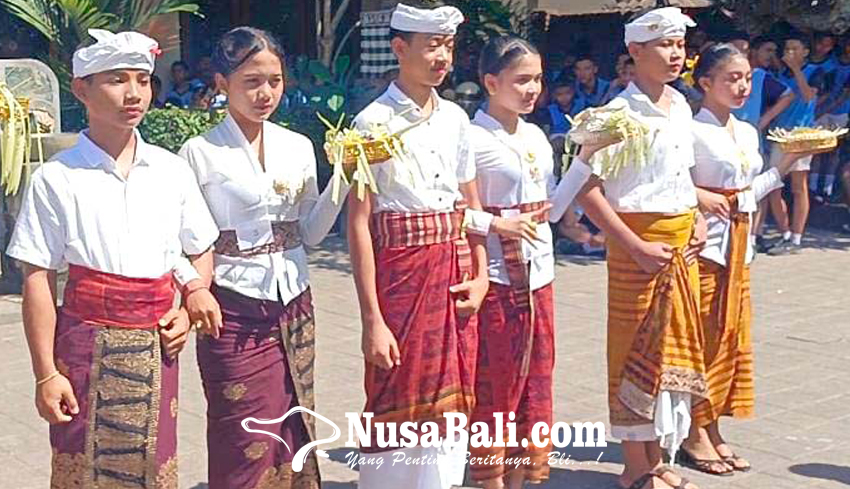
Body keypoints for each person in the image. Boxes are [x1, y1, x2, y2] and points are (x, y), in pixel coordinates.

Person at [6, 29, 220, 488]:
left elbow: (200, 247)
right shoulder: (56, 178)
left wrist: (190, 302)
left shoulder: (170, 170)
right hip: (84, 348)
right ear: (81, 88)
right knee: (82, 466)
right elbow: (38, 279)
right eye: (117, 80)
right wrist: (46, 374)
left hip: (156, 346)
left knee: (152, 463)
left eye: (143, 80)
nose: (134, 94)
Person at [179, 27, 349, 489]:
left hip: (294, 302)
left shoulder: (298, 146)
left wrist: (345, 178)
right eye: (252, 81)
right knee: (241, 431)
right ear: (221, 83)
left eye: (274, 80)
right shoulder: (198, 153)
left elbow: (311, 233)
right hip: (232, 306)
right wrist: (193, 289)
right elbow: (181, 239)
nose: (265, 92)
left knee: (293, 424)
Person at [346, 3, 489, 488]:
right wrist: (372, 320)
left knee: (451, 400)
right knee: (395, 389)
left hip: (453, 275)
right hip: (401, 281)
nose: (441, 56)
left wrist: (482, 273)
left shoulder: (455, 119)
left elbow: (471, 205)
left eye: (447, 46)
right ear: (399, 48)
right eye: (431, 45)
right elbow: (360, 224)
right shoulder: (372, 122)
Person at [575, 8, 708, 489]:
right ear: (634, 52)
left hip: (680, 248)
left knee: (672, 356)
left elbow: (682, 178)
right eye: (665, 46)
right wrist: (631, 243)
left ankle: (657, 458)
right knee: (632, 353)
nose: (676, 55)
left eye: (680, 46)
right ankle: (634, 466)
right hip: (637, 247)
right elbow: (586, 189)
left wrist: (695, 220)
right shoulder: (613, 116)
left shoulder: (681, 105)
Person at [465, 35, 596, 488]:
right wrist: (495, 224)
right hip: (498, 280)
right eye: (521, 80)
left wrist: (588, 156)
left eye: (537, 79)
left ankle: (522, 478)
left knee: (535, 385)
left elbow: (552, 211)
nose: (532, 89)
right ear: (490, 81)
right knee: (494, 386)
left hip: (540, 277)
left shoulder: (537, 135)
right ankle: (489, 479)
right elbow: (450, 209)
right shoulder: (471, 138)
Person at [683, 43, 812, 476]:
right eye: (731, 78)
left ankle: (713, 426)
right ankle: (692, 432)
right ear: (705, 83)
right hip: (701, 250)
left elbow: (750, 193)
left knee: (727, 341)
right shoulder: (689, 131)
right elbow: (675, 188)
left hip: (739, 247)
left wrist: (785, 166)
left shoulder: (746, 131)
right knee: (698, 340)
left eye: (746, 79)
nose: (741, 86)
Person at [766, 33, 826, 255]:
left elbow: (809, 96)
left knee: (799, 188)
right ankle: (785, 234)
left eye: (794, 48)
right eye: (787, 48)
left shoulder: (815, 72)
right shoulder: (779, 73)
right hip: (779, 134)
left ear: (805, 52)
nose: (789, 53)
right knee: (773, 185)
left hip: (800, 135)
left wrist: (797, 70)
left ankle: (797, 238)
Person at [811, 36, 850, 200]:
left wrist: (823, 110)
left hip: (839, 112)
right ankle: (812, 186)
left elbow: (844, 96)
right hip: (819, 109)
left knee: (834, 151)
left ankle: (827, 188)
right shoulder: (830, 62)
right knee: (817, 150)